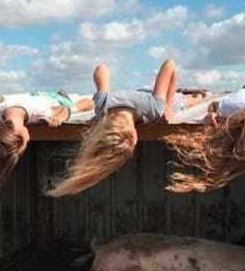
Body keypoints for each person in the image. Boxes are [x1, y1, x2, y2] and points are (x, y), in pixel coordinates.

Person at [46, 60, 177, 197]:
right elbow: (101, 69)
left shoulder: (153, 108)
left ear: (134, 136)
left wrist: (169, 106)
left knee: (193, 100)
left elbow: (170, 65)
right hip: (145, 92)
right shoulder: (103, 106)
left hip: (154, 94)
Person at [0, 92, 87, 195]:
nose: (27, 141)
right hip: (32, 96)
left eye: (25, 143)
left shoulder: (39, 112)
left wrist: (59, 117)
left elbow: (64, 109)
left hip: (55, 98)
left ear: (22, 135)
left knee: (79, 106)